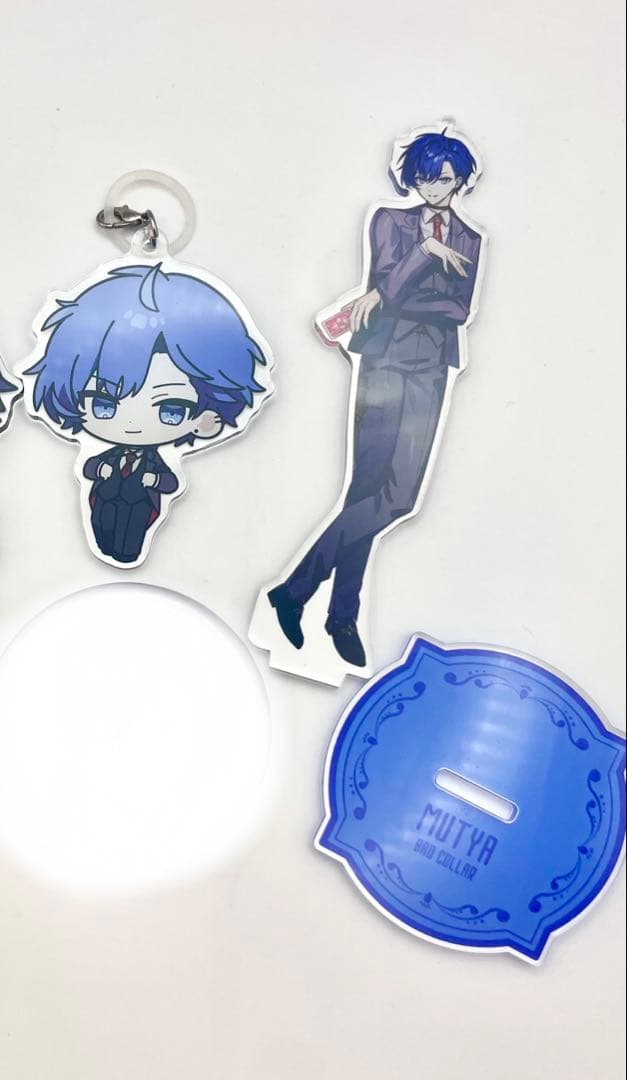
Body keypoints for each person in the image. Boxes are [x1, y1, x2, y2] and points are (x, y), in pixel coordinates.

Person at [269, 130, 484, 666]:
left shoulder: (471, 239)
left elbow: (458, 310)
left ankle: (294, 590)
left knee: (398, 497)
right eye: (427, 177)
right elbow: (386, 280)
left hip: (431, 367)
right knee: (363, 490)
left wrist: (395, 295)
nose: (435, 188)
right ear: (411, 178)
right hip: (383, 359)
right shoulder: (389, 221)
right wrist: (426, 253)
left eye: (445, 178)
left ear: (460, 180)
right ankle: (341, 616)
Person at [27, 263, 268, 563]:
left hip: (140, 509)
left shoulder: (156, 462)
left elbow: (170, 482)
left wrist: (153, 481)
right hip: (104, 502)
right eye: (104, 404)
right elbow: (89, 467)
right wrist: (100, 472)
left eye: (170, 409)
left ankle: (125, 551)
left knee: (129, 537)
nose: (131, 423)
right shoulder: (108, 456)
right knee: (103, 527)